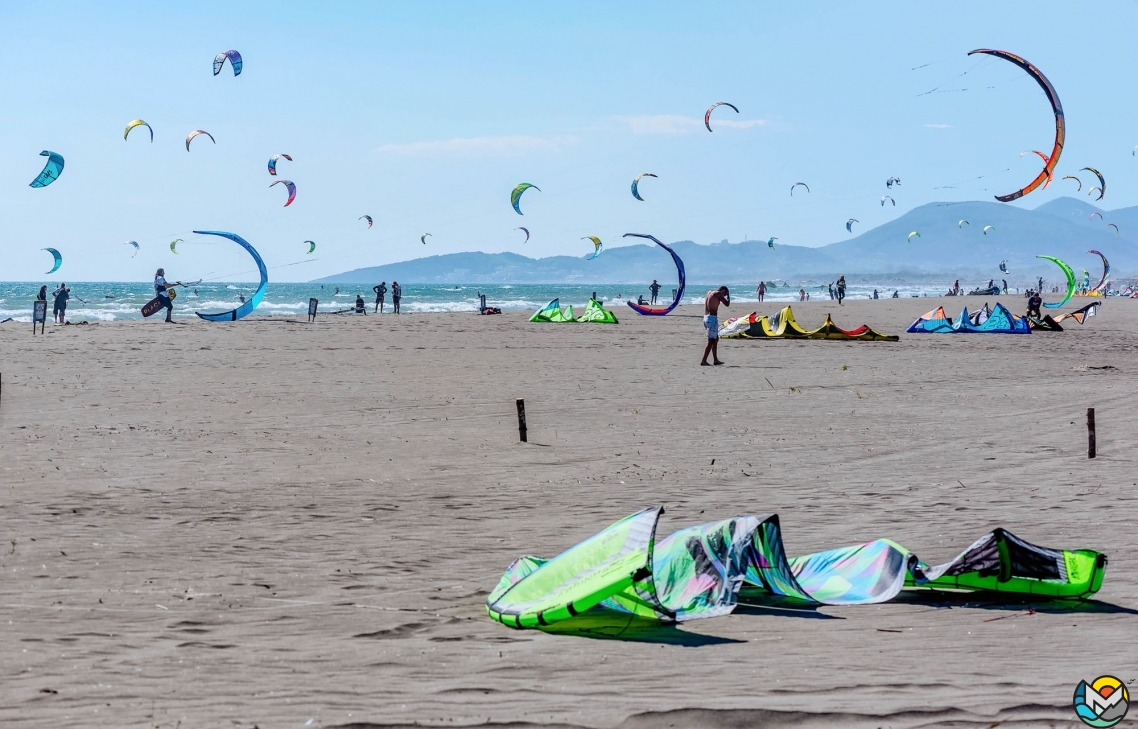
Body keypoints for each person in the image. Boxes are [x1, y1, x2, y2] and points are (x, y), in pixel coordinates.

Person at [701, 286, 730, 366]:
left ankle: (715, 359)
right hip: (712, 318)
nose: (723, 295)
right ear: (723, 290)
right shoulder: (718, 294)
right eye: (724, 293)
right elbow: (727, 304)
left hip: (706, 317)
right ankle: (704, 360)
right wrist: (728, 296)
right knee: (711, 341)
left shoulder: (709, 292)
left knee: (715, 339)